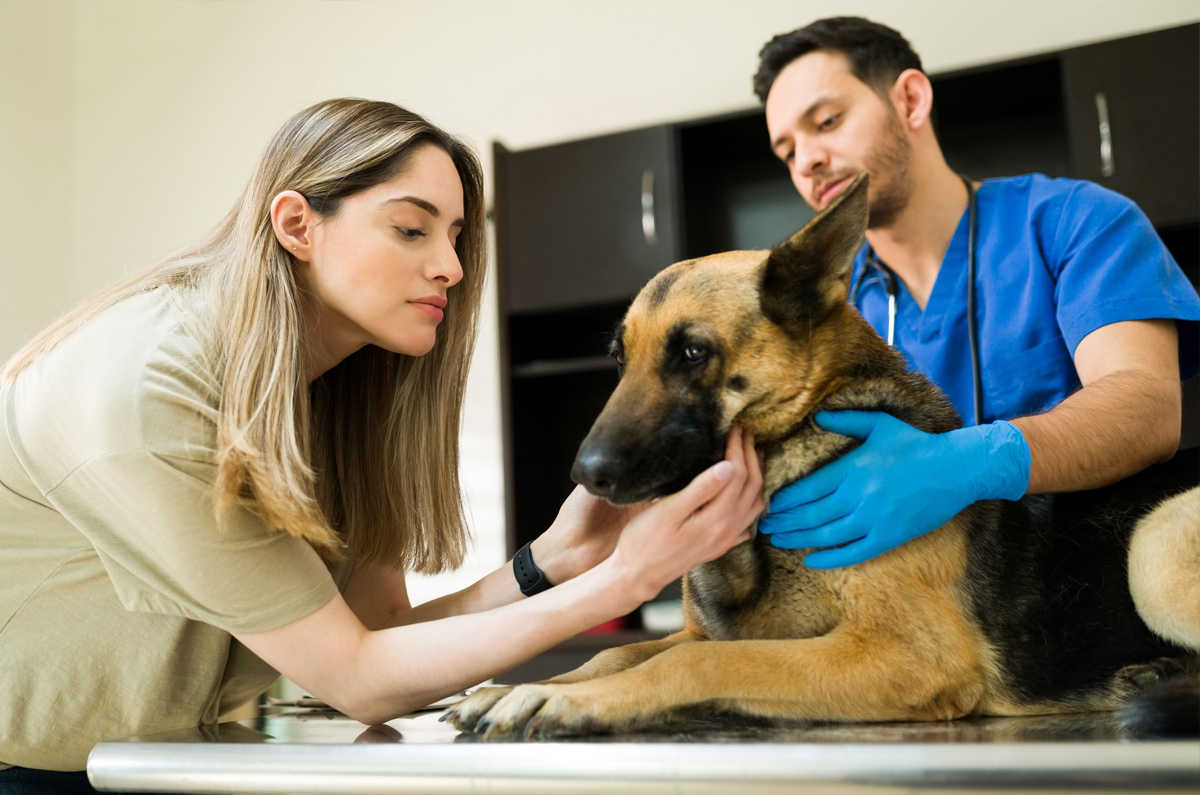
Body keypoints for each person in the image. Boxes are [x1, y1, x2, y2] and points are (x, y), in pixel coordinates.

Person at [0, 98, 765, 788]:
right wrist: (628, 578)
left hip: (144, 754)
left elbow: (379, 640)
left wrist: (553, 562)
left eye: (457, 236)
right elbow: (357, 679)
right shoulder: (149, 389)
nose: (452, 267)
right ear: (296, 225)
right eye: (410, 229)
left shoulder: (340, 395)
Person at [752, 17, 1200, 567]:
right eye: (787, 152)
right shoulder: (826, 311)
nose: (807, 162)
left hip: (1101, 580)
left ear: (911, 101)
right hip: (932, 602)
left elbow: (1148, 410)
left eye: (826, 121)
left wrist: (972, 462)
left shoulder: (1075, 222)